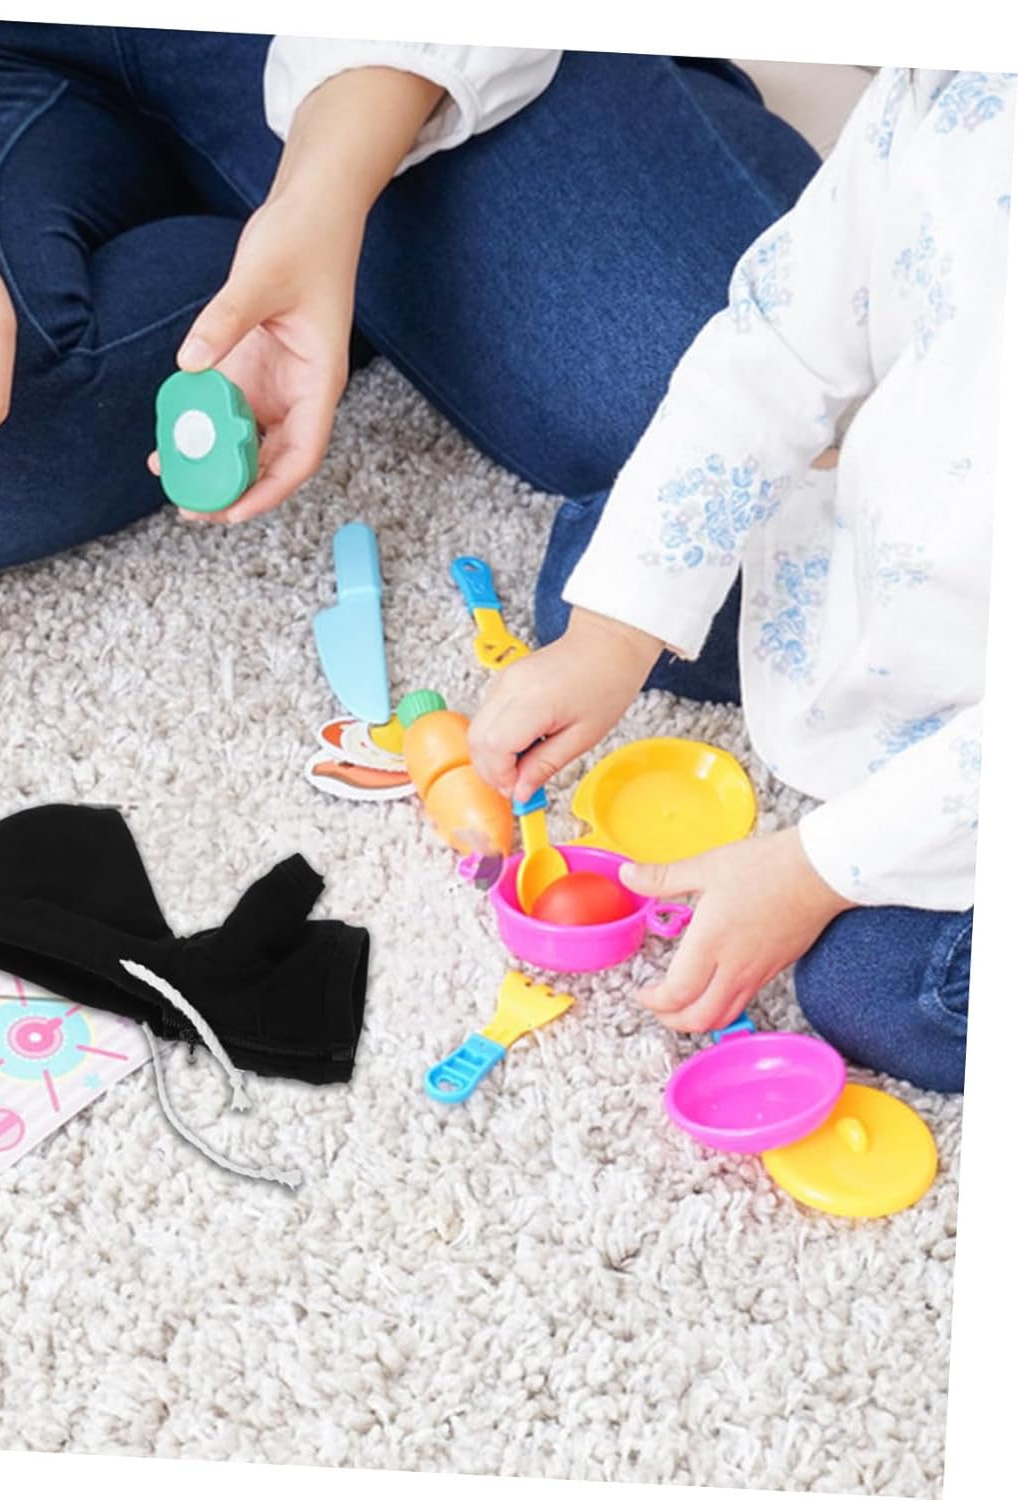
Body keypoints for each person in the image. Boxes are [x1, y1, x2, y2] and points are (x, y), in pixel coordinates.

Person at [0, 11, 821, 577]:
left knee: (751, 417)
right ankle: (350, 263)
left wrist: (328, 187)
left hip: (374, 32)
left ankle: (328, 239)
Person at [468, 68, 1012, 1094]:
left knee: (878, 989)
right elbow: (777, 345)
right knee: (590, 580)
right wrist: (615, 633)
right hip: (914, 581)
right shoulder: (951, 84)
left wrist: (814, 868)